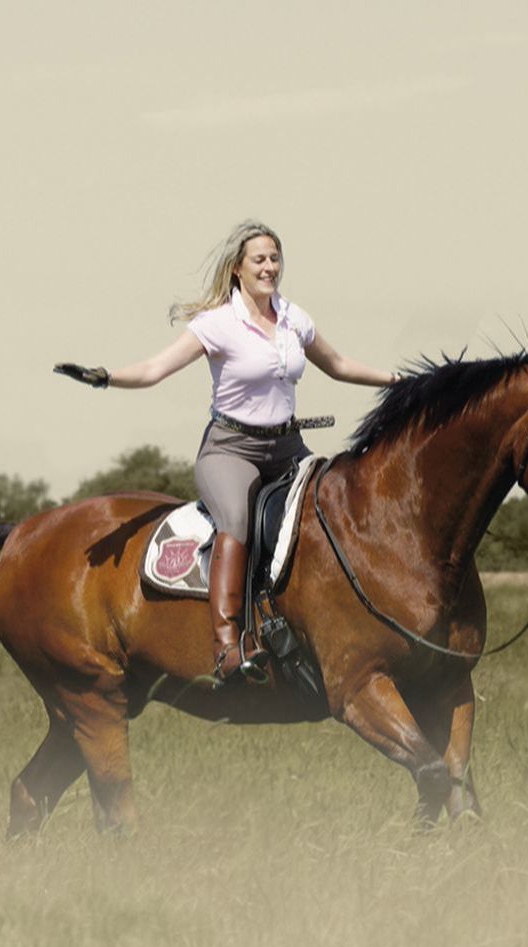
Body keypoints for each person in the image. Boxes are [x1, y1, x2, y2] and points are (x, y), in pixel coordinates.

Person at [55, 220, 399, 684]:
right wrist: (107, 377)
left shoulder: (294, 319)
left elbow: (337, 365)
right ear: (238, 268)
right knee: (236, 522)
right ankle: (226, 646)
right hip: (231, 451)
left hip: (288, 450)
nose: (269, 267)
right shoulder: (217, 325)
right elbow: (156, 369)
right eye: (259, 259)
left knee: (332, 510)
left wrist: (398, 381)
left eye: (275, 258)